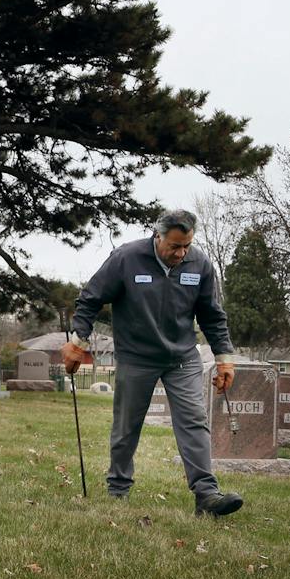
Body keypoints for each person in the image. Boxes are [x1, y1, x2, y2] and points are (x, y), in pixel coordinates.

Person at [60, 209, 244, 517]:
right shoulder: (126, 258)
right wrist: (78, 341)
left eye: (186, 245)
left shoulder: (199, 264)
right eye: (174, 246)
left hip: (182, 358)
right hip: (136, 356)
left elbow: (212, 316)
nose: (181, 253)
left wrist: (225, 359)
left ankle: (206, 495)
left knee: (194, 421)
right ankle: (118, 489)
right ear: (157, 236)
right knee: (126, 426)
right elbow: (91, 298)